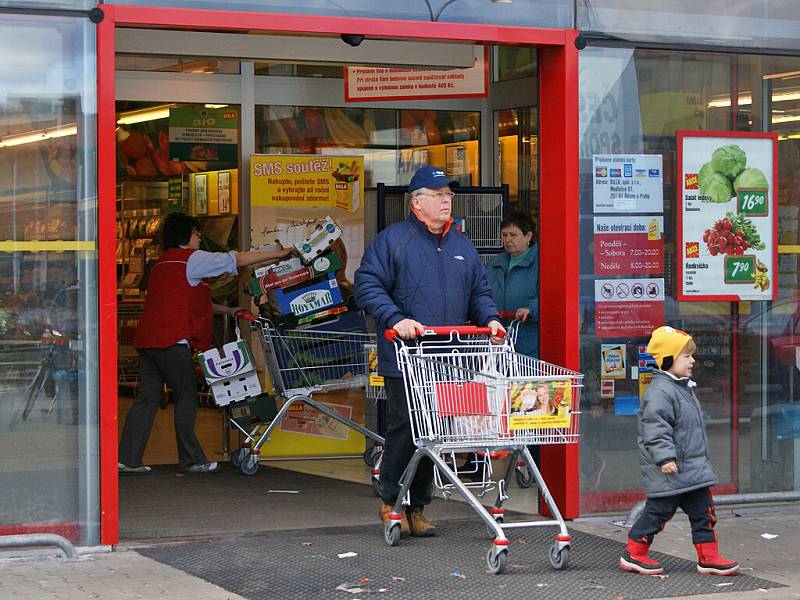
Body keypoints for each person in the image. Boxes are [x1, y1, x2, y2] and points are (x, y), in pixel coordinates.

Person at [355, 165, 503, 538]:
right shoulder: (394, 241)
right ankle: (391, 502)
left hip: (448, 358)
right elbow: (367, 285)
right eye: (439, 195)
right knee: (405, 429)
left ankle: (417, 507)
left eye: (450, 195)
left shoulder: (462, 245)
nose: (446, 201)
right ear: (416, 202)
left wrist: (491, 320)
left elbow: (479, 294)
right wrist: (395, 318)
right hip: (405, 357)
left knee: (434, 433)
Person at [118, 212, 293, 475]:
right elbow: (235, 260)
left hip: (148, 343)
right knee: (187, 397)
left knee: (148, 398)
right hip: (172, 341)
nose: (200, 239)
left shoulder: (162, 264)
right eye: (198, 234)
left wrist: (228, 311)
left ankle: (127, 459)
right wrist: (278, 255)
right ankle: (191, 460)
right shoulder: (191, 260)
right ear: (187, 235)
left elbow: (192, 302)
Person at [619, 326, 739, 576]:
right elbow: (655, 428)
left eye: (691, 356)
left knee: (705, 514)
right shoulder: (661, 392)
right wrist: (665, 458)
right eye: (686, 356)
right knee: (657, 514)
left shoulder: (682, 387)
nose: (692, 361)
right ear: (667, 360)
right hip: (670, 470)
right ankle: (634, 552)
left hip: (692, 470)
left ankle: (708, 556)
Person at [486, 211, 539, 357]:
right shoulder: (493, 263)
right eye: (504, 235)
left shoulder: (542, 262)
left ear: (528, 236)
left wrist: (531, 309)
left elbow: (552, 299)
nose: (508, 239)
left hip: (530, 342)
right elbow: (481, 293)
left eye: (513, 235)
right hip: (497, 341)